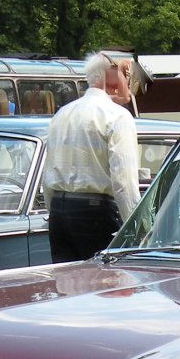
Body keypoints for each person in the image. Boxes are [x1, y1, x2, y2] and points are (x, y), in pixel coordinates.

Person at [41, 52, 140, 262]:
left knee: (67, 286)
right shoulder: (117, 116)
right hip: (96, 214)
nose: (129, 81)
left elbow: (48, 175)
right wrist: (138, 228)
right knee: (107, 287)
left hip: (59, 212)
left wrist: (55, 211)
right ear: (111, 76)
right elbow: (123, 183)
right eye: (125, 73)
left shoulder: (62, 114)